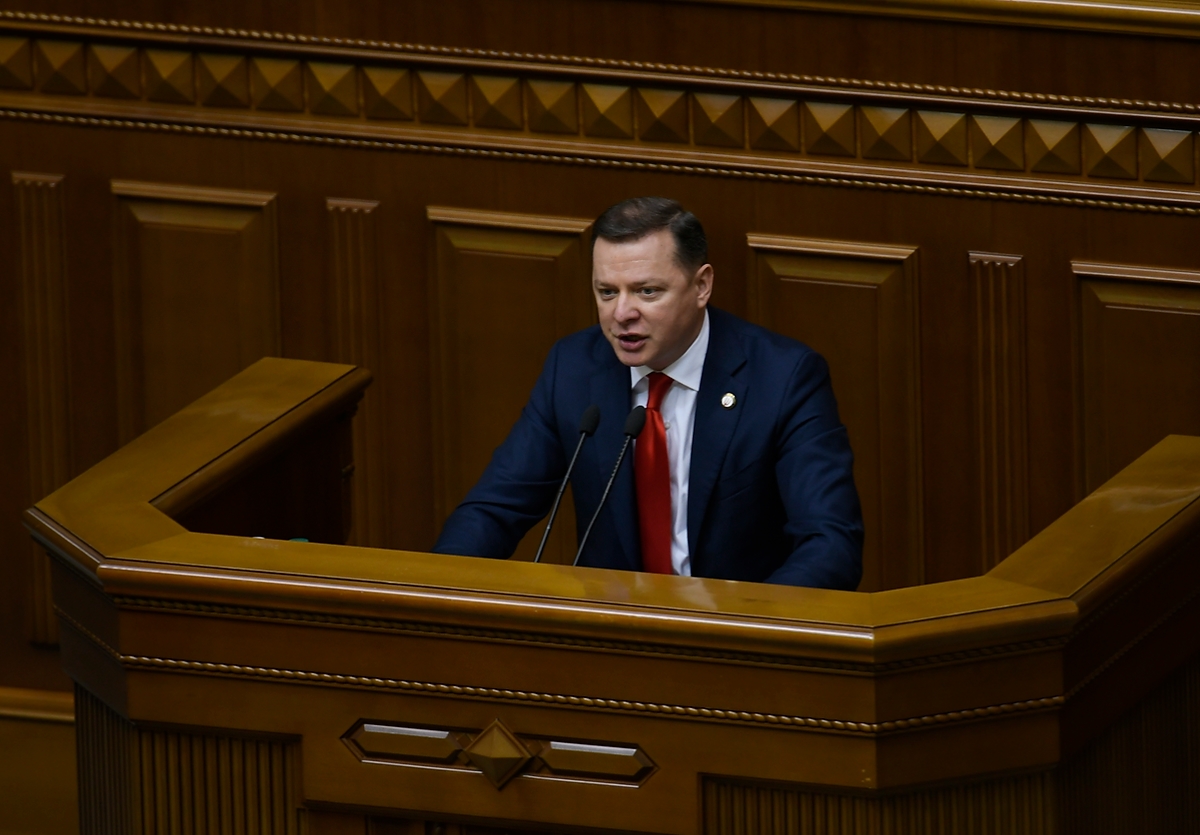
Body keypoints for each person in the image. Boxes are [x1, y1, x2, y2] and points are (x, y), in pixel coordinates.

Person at [434, 197, 863, 588]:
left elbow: (830, 543)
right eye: (607, 292)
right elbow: (495, 509)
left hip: (737, 631)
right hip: (610, 630)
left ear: (701, 286)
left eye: (647, 291)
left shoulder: (783, 377)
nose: (622, 314)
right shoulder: (574, 368)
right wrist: (439, 593)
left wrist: (750, 630)